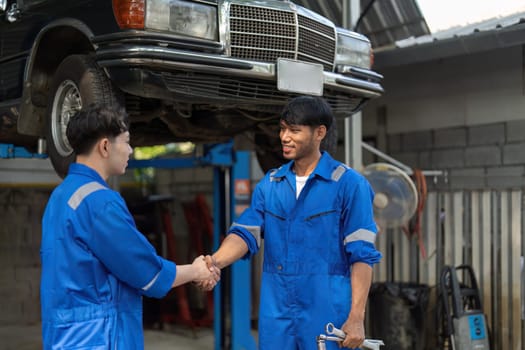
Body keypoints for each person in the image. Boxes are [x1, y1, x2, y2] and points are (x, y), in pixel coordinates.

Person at [203, 96, 382, 349]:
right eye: (282, 128)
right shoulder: (271, 184)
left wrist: (356, 317)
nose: (284, 137)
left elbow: (362, 255)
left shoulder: (350, 185)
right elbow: (246, 232)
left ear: (320, 132)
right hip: (277, 314)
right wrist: (214, 262)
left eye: (294, 130)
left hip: (327, 313)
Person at [40, 104, 219, 350]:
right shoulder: (99, 202)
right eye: (126, 141)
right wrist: (197, 271)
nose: (130, 150)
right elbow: (147, 273)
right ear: (105, 146)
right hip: (99, 337)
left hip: (66, 335)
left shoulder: (61, 196)